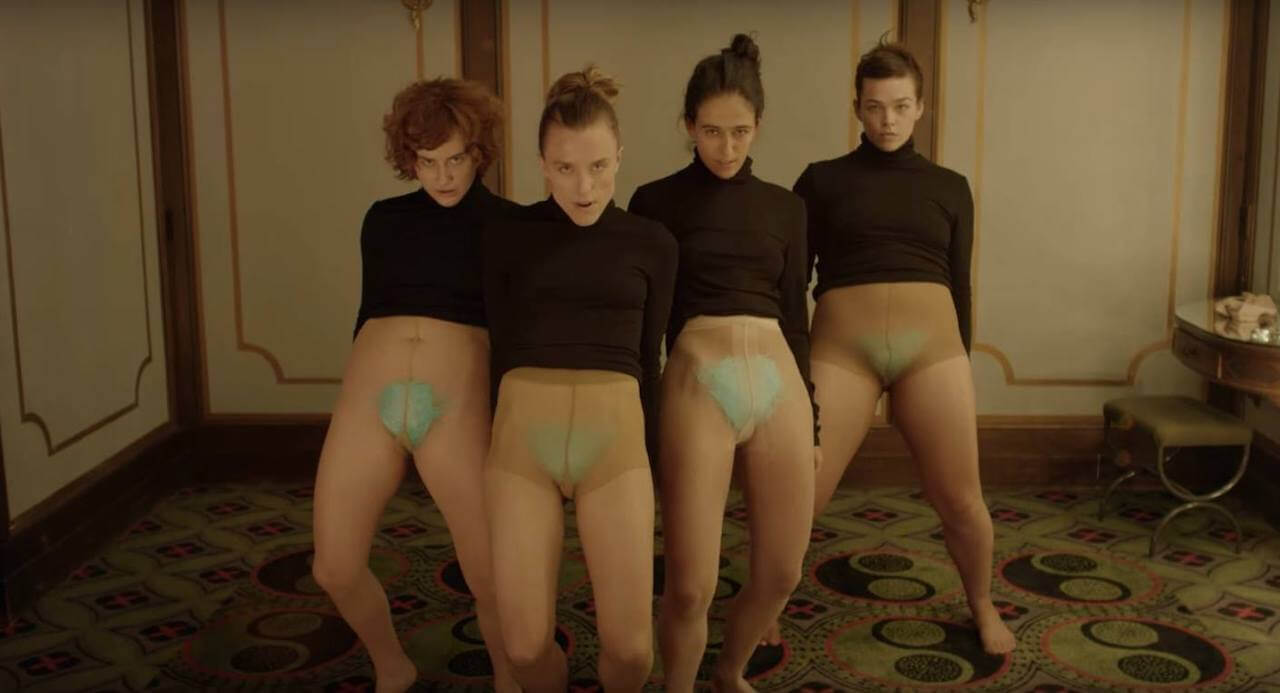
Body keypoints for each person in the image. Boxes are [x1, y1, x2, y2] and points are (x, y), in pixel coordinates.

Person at [792, 42, 1016, 655]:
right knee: (801, 493)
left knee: (961, 498)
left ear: (920, 107)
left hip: (932, 354)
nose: (887, 120)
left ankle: (982, 603)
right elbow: (791, 283)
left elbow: (960, 283)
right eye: (874, 106)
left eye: (899, 106)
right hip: (842, 351)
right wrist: (792, 365)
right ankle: (767, 601)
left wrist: (959, 363)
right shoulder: (820, 181)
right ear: (856, 108)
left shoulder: (951, 187)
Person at [310, 78, 520, 692]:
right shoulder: (383, 221)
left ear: (479, 152)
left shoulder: (510, 227)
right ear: (409, 159)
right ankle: (392, 665)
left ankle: (509, 680)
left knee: (490, 576)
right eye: (427, 162)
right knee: (333, 567)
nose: (443, 176)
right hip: (370, 401)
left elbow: (516, 337)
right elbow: (367, 315)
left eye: (455, 159)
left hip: (457, 406)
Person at [629, 34, 819, 692]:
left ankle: (730, 671)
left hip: (779, 378)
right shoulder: (654, 202)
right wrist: (642, 414)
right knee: (689, 585)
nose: (727, 147)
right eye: (711, 131)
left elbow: (796, 317)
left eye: (740, 131)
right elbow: (646, 326)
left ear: (759, 124)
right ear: (688, 125)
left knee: (783, 570)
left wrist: (814, 420)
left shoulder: (787, 208)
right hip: (694, 377)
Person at [483, 65, 678, 692]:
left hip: (614, 451)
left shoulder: (653, 243)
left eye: (597, 166)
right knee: (522, 648)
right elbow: (496, 349)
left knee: (632, 654)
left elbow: (650, 360)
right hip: (520, 450)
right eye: (565, 168)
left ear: (620, 156)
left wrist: (656, 464)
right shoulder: (506, 237)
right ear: (542, 165)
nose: (584, 186)